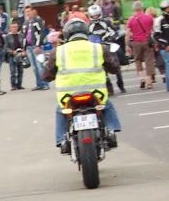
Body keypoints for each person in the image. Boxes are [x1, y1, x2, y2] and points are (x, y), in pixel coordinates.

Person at [42, 19, 122, 153]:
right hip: (96, 94)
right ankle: (112, 131)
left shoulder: (58, 51)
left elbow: (46, 76)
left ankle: (61, 141)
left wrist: (50, 75)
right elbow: (114, 68)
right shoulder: (98, 48)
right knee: (107, 105)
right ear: (86, 32)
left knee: (60, 111)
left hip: (68, 97)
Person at [88, 4, 126, 94]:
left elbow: (114, 32)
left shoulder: (106, 22)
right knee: (101, 68)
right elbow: (88, 36)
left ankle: (120, 84)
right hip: (97, 48)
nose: (95, 17)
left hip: (108, 46)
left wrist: (108, 38)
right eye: (93, 15)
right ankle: (109, 88)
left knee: (116, 65)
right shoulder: (89, 26)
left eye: (96, 15)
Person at [125, 1, 157, 89]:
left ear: (134, 9)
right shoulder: (149, 17)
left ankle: (142, 78)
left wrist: (127, 45)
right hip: (147, 41)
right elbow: (154, 30)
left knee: (138, 60)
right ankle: (150, 81)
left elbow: (127, 34)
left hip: (136, 42)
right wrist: (156, 42)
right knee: (149, 61)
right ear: (143, 8)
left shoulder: (131, 19)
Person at [24, 6, 48, 90]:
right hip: (29, 47)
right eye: (26, 12)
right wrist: (24, 48)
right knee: (34, 67)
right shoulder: (26, 23)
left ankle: (45, 84)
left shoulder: (38, 21)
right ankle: (39, 84)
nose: (28, 13)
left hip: (36, 46)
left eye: (29, 11)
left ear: (32, 11)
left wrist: (38, 45)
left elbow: (41, 33)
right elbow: (24, 35)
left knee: (39, 66)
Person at [4, 21, 25, 90]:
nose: (14, 28)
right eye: (13, 27)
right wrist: (12, 52)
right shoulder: (7, 36)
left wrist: (23, 50)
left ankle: (19, 84)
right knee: (13, 71)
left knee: (20, 70)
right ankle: (13, 85)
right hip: (12, 55)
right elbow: (5, 47)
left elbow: (24, 44)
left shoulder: (21, 35)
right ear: (10, 28)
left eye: (16, 27)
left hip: (20, 54)